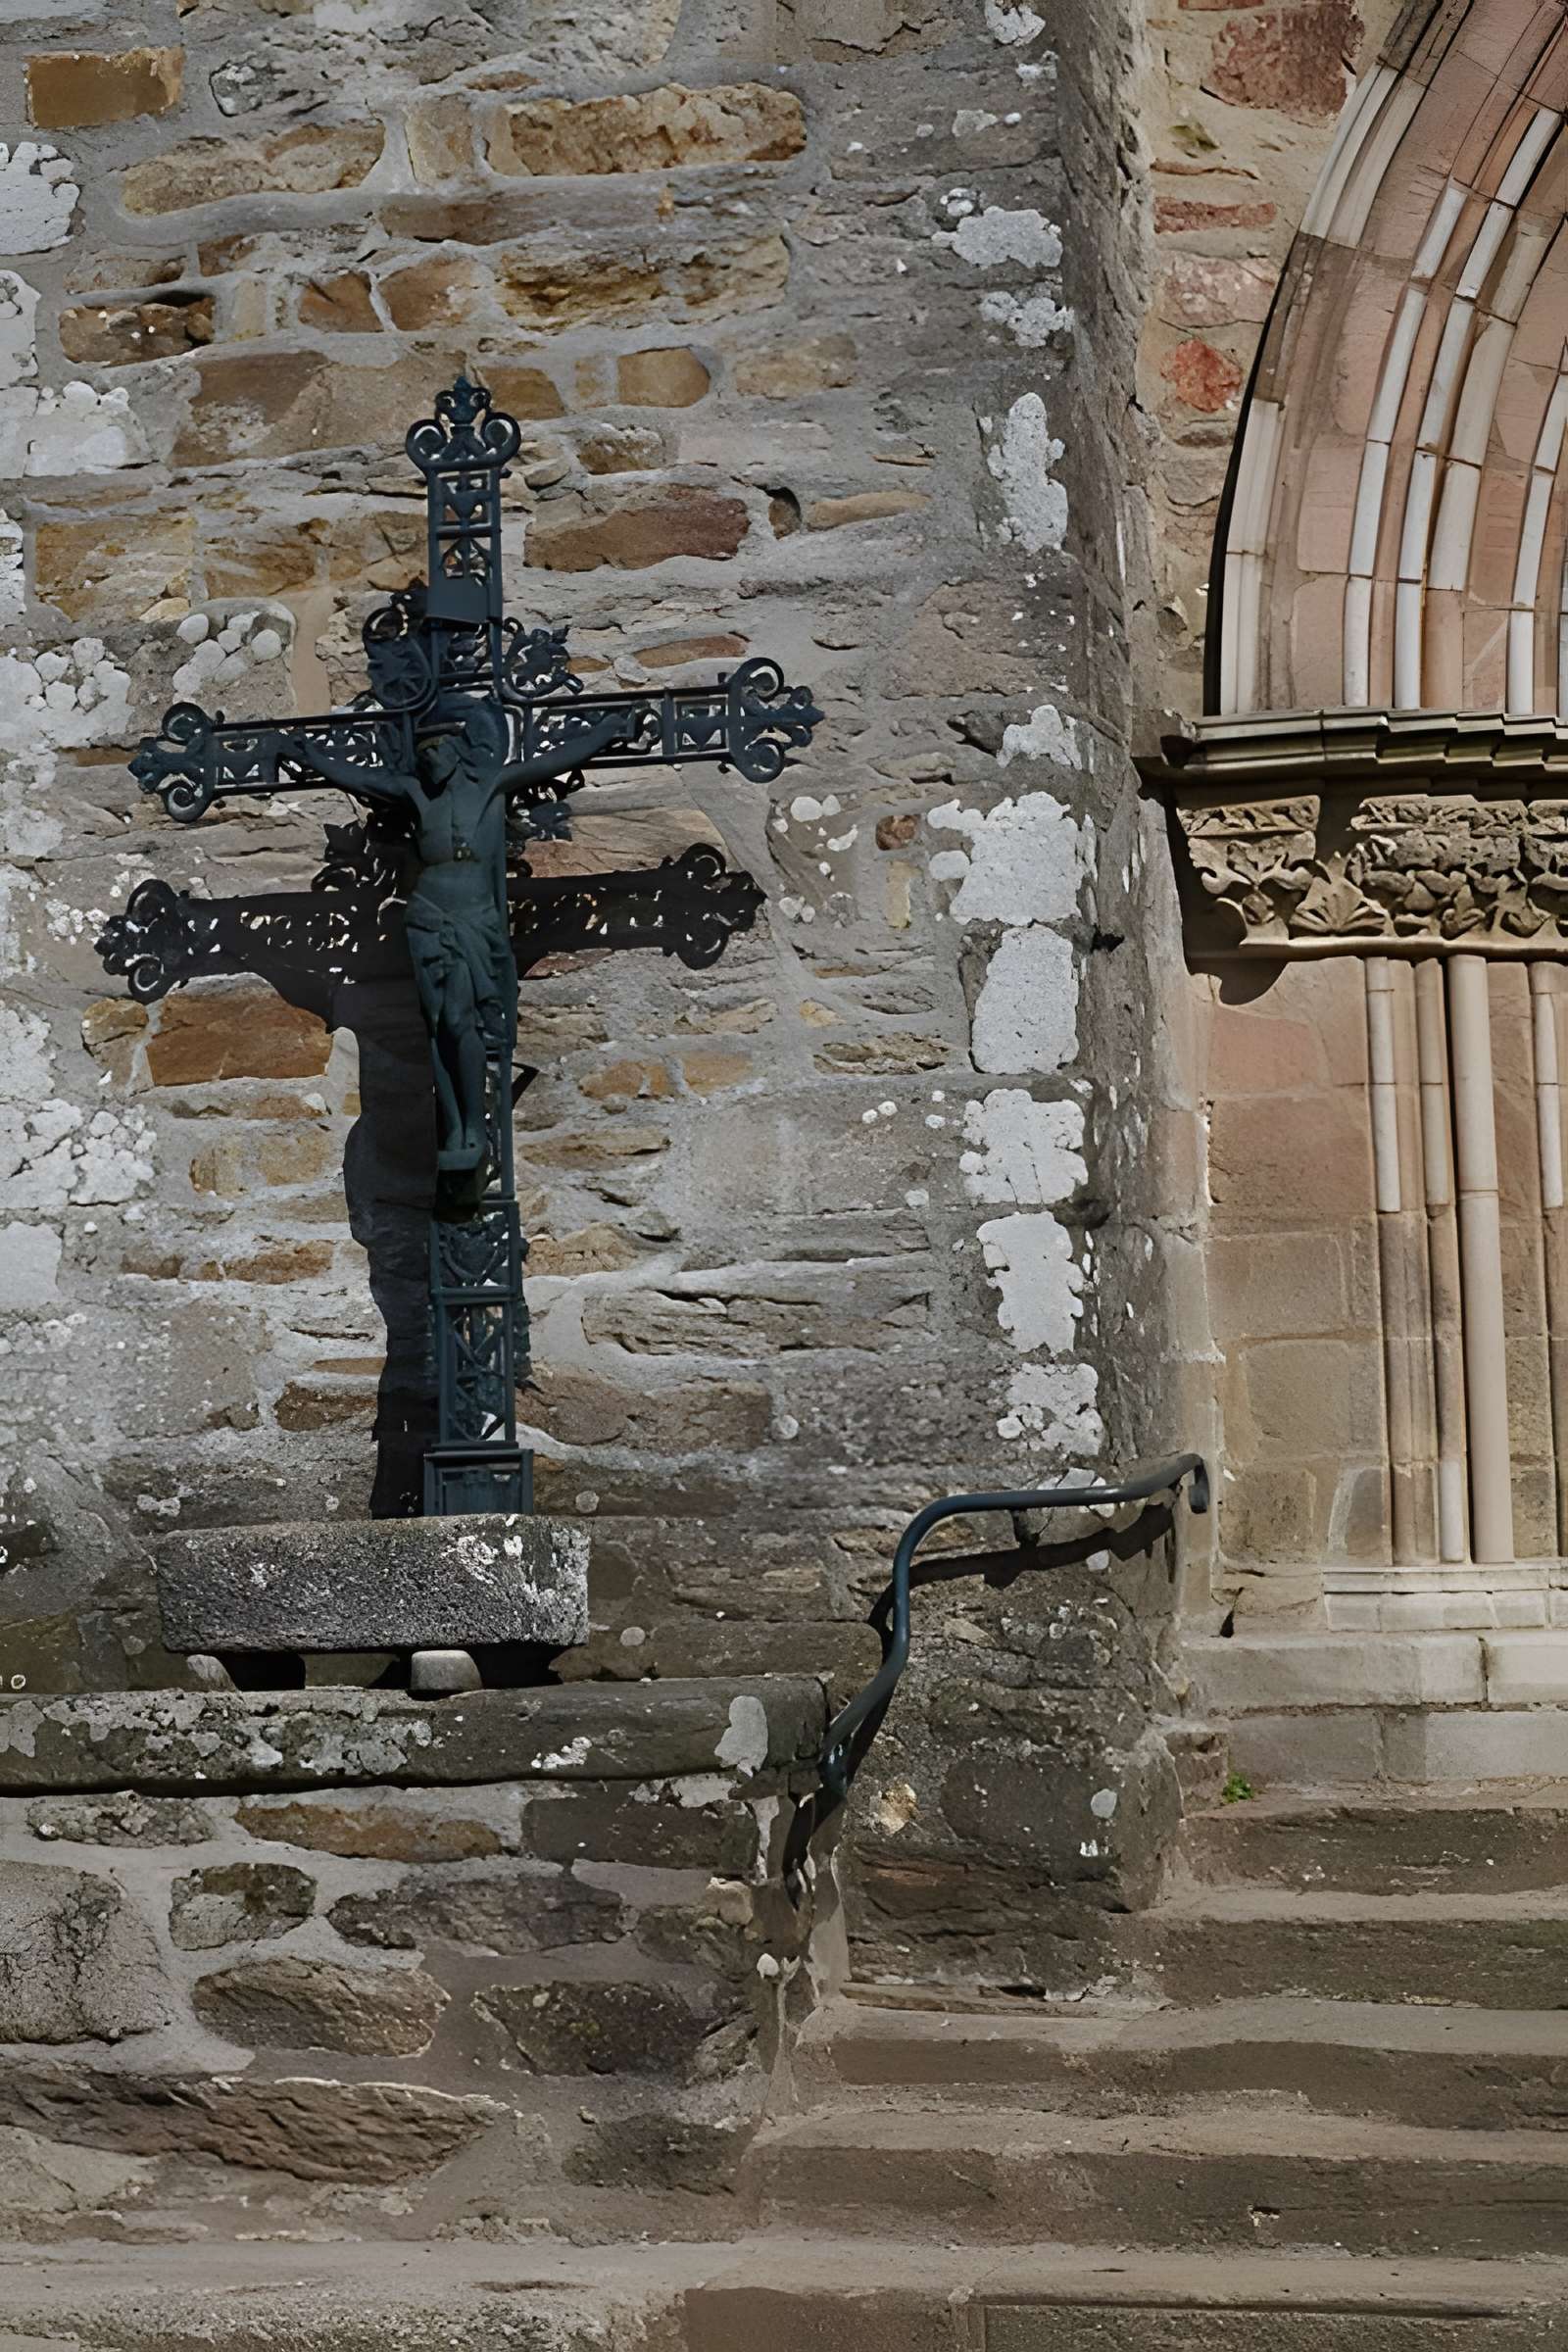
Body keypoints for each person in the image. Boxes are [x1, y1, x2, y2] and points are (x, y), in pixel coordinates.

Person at [283, 702, 630, 1188]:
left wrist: (606, 733)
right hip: (428, 916)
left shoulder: (489, 785)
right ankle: (456, 1129)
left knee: (466, 1022)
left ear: (458, 751)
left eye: (437, 751)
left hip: (473, 916)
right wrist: (312, 758)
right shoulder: (416, 795)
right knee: (443, 1024)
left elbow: (550, 763)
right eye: (422, 754)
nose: (429, 762)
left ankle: (471, 1122)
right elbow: (361, 782)